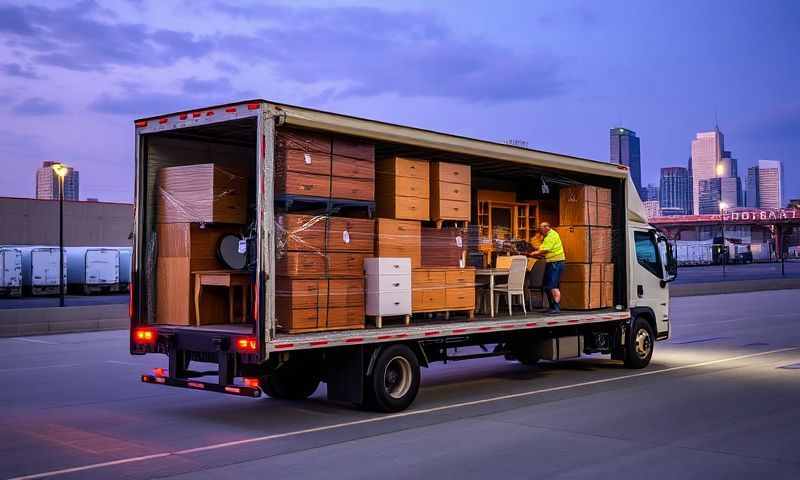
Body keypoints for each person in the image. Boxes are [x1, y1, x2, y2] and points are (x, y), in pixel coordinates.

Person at [528, 222, 565, 314]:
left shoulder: (551, 236)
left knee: (553, 286)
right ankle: (551, 306)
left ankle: (556, 307)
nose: (540, 231)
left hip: (556, 263)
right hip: (551, 262)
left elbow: (545, 249)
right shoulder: (547, 236)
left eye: (541, 229)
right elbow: (542, 246)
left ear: (547, 227)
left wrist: (533, 253)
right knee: (547, 286)